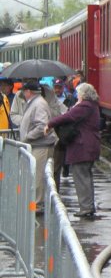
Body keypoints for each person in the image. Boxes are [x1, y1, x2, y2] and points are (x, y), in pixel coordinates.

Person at [45, 82, 102, 218]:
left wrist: (50, 124)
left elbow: (68, 116)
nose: (77, 96)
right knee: (85, 176)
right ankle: (88, 206)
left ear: (83, 95)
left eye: (79, 94)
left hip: (83, 147)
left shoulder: (85, 106)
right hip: (89, 146)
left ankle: (86, 207)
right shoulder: (91, 106)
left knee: (81, 177)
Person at [19, 80, 58, 212]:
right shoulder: (36, 102)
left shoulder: (39, 104)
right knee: (37, 175)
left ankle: (38, 205)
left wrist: (27, 136)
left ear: (29, 92)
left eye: (24, 91)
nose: (23, 93)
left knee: (39, 176)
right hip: (38, 145)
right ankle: (37, 203)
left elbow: (42, 126)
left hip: (41, 145)